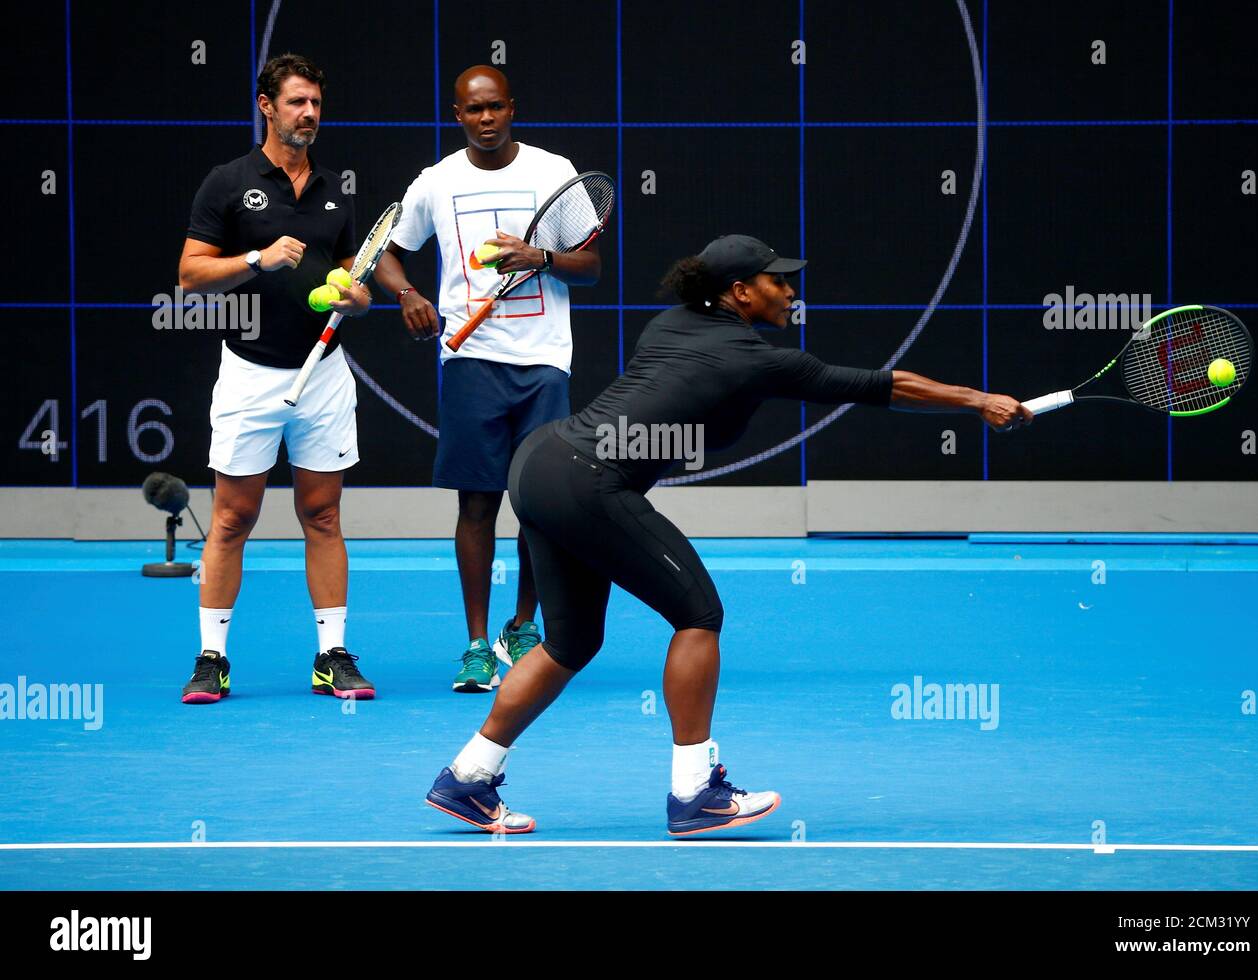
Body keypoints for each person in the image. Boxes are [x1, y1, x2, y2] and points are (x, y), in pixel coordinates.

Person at [424, 234, 1033, 835]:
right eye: (778, 281)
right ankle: (695, 792)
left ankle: (469, 776)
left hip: (541, 463)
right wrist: (978, 401)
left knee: (571, 641)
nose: (791, 291)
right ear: (740, 292)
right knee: (698, 614)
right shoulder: (760, 360)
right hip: (587, 480)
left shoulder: (669, 324)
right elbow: (884, 386)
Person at [373, 66, 601, 692]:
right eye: (473, 111)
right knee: (476, 502)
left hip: (545, 362)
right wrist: (408, 295)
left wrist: (542, 257)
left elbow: (590, 266)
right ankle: (476, 646)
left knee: (540, 507)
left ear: (511, 109)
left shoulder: (555, 173)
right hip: (469, 362)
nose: (486, 119)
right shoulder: (437, 182)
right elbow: (384, 252)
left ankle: (522, 627)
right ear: (457, 115)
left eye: (495, 107)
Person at [177, 53, 375, 704]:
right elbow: (191, 274)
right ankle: (212, 658)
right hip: (250, 373)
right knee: (232, 518)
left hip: (322, 373)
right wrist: (257, 257)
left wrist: (356, 298)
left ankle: (332, 655)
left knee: (322, 514)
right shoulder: (228, 183)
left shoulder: (333, 190)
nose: (310, 113)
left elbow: (356, 275)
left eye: (316, 103)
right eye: (297, 102)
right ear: (267, 106)